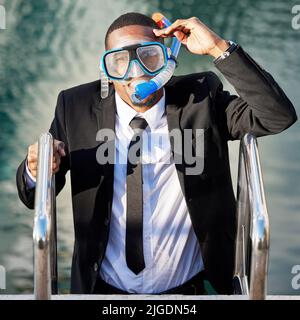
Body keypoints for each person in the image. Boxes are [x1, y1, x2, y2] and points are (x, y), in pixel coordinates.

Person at [16, 12, 297, 295]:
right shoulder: (76, 106)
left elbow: (276, 116)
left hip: (188, 291)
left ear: (167, 60)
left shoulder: (200, 98)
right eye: (120, 61)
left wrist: (217, 47)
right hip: (103, 290)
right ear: (107, 70)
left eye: (149, 56)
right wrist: (36, 169)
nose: (136, 71)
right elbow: (32, 195)